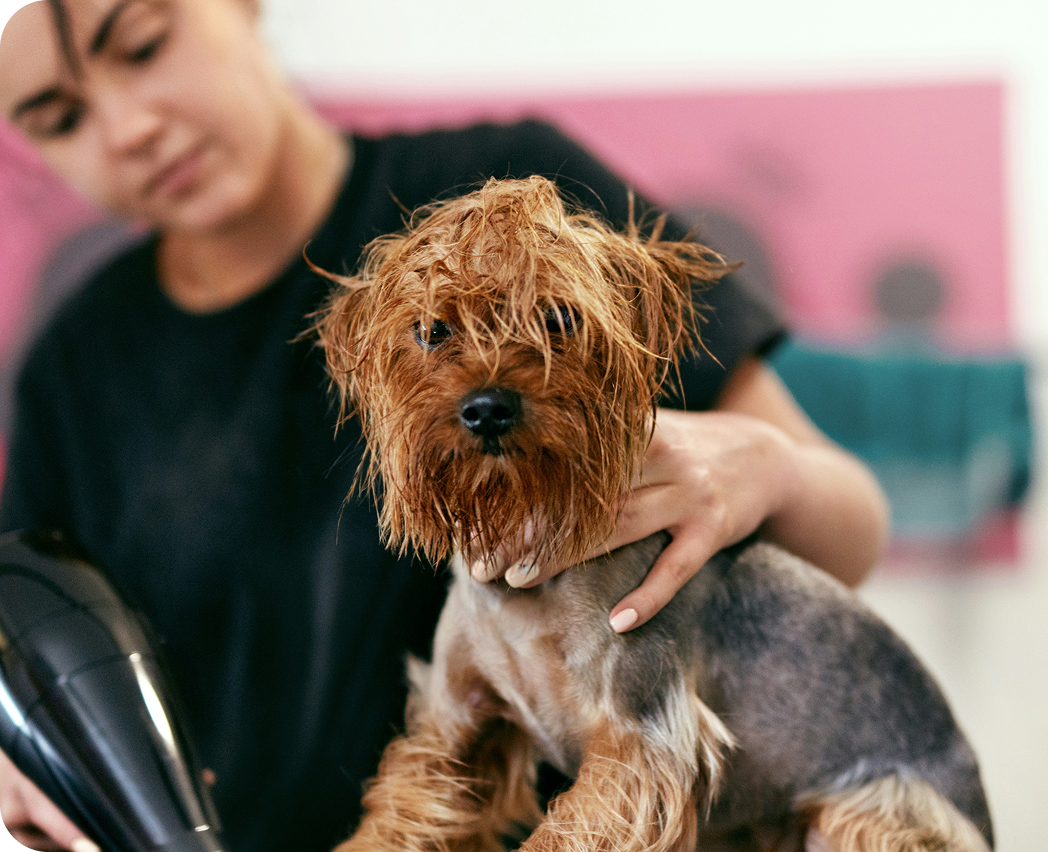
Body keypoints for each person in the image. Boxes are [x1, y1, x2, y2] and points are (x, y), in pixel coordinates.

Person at [0, 2, 890, 852]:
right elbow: (30, 657)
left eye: (145, 45)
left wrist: (773, 469)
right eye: (58, 118)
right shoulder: (72, 373)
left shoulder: (527, 195)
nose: (127, 128)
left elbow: (851, 538)